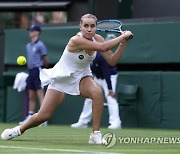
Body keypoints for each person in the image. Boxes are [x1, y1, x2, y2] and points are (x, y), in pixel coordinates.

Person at [1, 14, 132, 144]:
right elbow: (104, 47)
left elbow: (112, 61)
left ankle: (95, 134)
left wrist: (123, 44)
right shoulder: (76, 40)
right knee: (43, 116)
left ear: (96, 27)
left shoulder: (98, 38)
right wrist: (123, 36)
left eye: (92, 26)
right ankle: (18, 130)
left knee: (97, 92)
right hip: (61, 77)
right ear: (80, 26)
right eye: (85, 26)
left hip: (82, 76)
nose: (89, 29)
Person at [71, 52, 121, 129]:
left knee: (110, 98)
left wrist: (110, 89)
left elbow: (106, 72)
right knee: (89, 98)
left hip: (109, 77)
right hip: (97, 77)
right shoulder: (85, 56)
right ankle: (83, 122)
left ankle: (116, 123)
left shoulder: (100, 57)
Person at [19, 24, 49, 126]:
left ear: (37, 32)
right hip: (30, 71)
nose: (30, 32)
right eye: (30, 30)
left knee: (40, 94)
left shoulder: (40, 44)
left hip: (38, 71)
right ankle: (30, 116)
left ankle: (43, 118)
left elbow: (45, 59)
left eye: (32, 31)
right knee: (31, 95)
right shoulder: (28, 45)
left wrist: (43, 69)